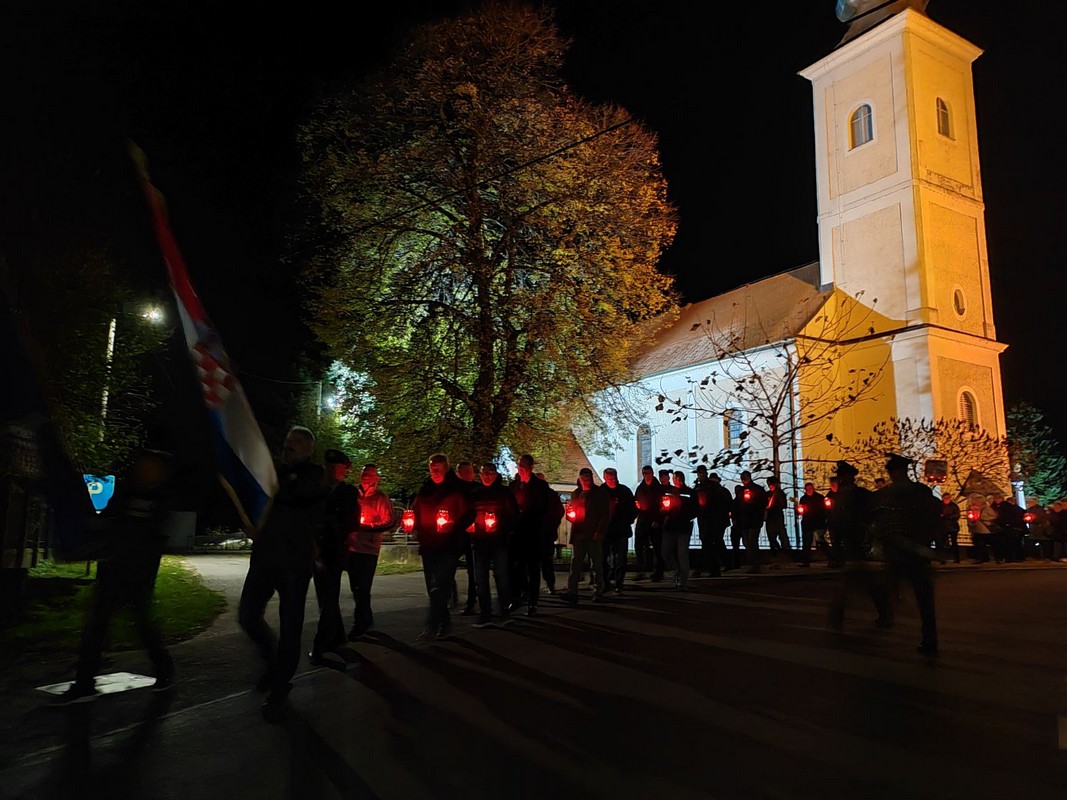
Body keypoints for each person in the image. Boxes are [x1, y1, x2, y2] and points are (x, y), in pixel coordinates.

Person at [51, 437, 178, 706]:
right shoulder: (125, 490)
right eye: (143, 465)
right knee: (96, 625)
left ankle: (164, 668)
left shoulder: (161, 499)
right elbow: (110, 519)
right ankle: (84, 683)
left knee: (142, 625)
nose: (145, 470)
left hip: (138, 573)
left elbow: (153, 537)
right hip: (113, 567)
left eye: (151, 466)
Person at [238, 425, 327, 722]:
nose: (290, 444)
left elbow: (296, 495)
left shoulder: (313, 476)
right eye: (288, 440)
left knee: (290, 626)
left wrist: (271, 480)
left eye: (297, 441)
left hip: (294, 564)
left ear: (309, 449)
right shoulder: (272, 473)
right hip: (265, 558)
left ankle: (279, 687)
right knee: (248, 616)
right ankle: (273, 662)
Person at [869, 453, 942, 656]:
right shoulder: (921, 491)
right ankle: (929, 638)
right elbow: (934, 516)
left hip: (900, 551)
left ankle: (887, 618)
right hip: (915, 550)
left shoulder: (889, 494)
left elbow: (880, 522)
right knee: (923, 598)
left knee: (883, 587)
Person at [411, 453, 474, 641]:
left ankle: (431, 627)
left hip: (449, 545)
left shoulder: (458, 489)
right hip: (428, 544)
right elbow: (416, 510)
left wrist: (454, 526)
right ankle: (445, 624)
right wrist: (413, 525)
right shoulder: (425, 489)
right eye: (432, 469)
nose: (434, 472)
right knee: (433, 587)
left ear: (446, 468)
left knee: (440, 585)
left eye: (438, 468)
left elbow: (470, 513)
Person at [826, 460, 891, 632]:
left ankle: (837, 617)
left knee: (857, 583)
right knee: (867, 583)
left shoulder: (851, 496)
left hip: (858, 544)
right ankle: (883, 615)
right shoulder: (852, 495)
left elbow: (839, 522)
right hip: (856, 545)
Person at [309, 448, 358, 664]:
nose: (330, 471)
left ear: (343, 470)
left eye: (335, 468)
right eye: (328, 467)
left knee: (328, 599)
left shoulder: (347, 492)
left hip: (334, 550)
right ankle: (337, 637)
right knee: (325, 597)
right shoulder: (319, 490)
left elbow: (348, 522)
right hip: (317, 550)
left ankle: (320, 645)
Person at [345, 463, 396, 640]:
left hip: (369, 549)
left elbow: (389, 521)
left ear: (376, 478)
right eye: (364, 473)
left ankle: (359, 624)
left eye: (370, 474)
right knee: (356, 587)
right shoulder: (353, 495)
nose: (366, 476)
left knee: (363, 587)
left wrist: (369, 527)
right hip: (352, 546)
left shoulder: (380, 498)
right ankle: (366, 619)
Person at [469, 462, 519, 625]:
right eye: (483, 473)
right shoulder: (475, 494)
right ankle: (485, 613)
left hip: (499, 541)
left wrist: (502, 526)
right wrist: (469, 526)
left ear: (496, 475)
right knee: (481, 578)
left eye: (490, 473)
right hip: (480, 541)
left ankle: (505, 611)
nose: (486, 476)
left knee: (502, 576)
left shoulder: (504, 493)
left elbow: (513, 515)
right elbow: (468, 515)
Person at [510, 454, 555, 615]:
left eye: (523, 465)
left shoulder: (540, 486)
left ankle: (532, 601)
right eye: (519, 465)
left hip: (534, 532)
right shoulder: (513, 486)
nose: (520, 468)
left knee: (533, 568)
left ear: (530, 467)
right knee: (517, 567)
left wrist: (527, 513)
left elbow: (545, 508)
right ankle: (520, 595)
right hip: (517, 533)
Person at [561, 468, 610, 605]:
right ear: (580, 479)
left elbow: (605, 514)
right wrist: (571, 515)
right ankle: (572, 591)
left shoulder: (599, 493)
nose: (586, 480)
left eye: (588, 477)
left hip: (593, 534)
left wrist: (600, 531)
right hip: (579, 533)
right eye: (584, 478)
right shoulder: (576, 493)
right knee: (575, 563)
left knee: (596, 564)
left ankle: (598, 591)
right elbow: (573, 513)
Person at [692, 466, 732, 577]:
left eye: (702, 473)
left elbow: (723, 502)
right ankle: (713, 568)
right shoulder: (698, 488)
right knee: (708, 544)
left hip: (713, 519)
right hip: (703, 519)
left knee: (712, 543)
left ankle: (712, 568)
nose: (701, 475)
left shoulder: (714, 487)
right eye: (699, 473)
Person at [602, 467, 637, 593]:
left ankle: (618, 582)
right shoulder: (601, 492)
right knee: (604, 558)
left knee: (621, 558)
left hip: (621, 529)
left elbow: (633, 508)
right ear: (605, 478)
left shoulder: (624, 491)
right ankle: (605, 581)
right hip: (606, 530)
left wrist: (628, 519)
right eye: (610, 478)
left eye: (614, 478)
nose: (612, 480)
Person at [661, 470, 697, 589]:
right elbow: (664, 505)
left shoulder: (690, 493)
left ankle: (683, 579)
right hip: (670, 525)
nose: (675, 480)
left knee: (682, 553)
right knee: (665, 551)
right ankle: (676, 570)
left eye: (676, 478)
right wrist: (664, 510)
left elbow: (695, 509)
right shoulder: (670, 492)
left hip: (683, 527)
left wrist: (686, 517)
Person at [455, 461, 480, 616]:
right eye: (466, 471)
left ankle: (472, 600)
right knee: (449, 564)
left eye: (471, 471)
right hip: (457, 532)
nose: (470, 474)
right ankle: (450, 596)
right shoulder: (454, 489)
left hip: (473, 534)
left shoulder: (478, 489)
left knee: (473, 568)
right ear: (459, 473)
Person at [633, 465, 665, 581]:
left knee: (657, 548)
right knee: (639, 545)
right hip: (643, 520)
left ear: (652, 473)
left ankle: (658, 572)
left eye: (648, 473)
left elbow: (663, 505)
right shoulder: (640, 488)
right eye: (644, 473)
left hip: (655, 521)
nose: (646, 476)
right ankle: (643, 568)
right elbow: (636, 501)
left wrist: (658, 519)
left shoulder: (659, 489)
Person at [734, 471, 768, 573]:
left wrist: (753, 503)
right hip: (745, 520)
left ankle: (755, 564)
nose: (743, 480)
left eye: (745, 478)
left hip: (754, 519)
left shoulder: (757, 490)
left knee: (752, 542)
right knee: (747, 542)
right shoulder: (742, 491)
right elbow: (736, 505)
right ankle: (753, 563)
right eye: (742, 478)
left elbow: (764, 503)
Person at [796, 482, 828, 567]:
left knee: (820, 540)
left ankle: (831, 558)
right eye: (808, 489)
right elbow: (800, 509)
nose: (809, 490)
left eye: (811, 488)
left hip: (818, 522)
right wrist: (799, 510)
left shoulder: (819, 498)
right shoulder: (803, 499)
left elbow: (824, 509)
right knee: (806, 543)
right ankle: (805, 561)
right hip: (808, 523)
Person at [764, 476, 791, 561]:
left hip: (777, 516)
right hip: (770, 517)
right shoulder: (767, 494)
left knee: (781, 533)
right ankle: (775, 549)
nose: (770, 486)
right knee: (770, 535)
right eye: (769, 484)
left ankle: (785, 550)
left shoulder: (779, 493)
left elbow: (783, 504)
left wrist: (773, 505)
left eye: (771, 484)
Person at [939, 493, 962, 563]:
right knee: (943, 542)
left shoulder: (953, 506)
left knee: (954, 542)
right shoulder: (940, 505)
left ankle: (956, 558)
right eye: (945, 498)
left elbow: (957, 515)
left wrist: (948, 517)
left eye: (948, 498)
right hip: (944, 526)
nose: (947, 499)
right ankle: (943, 559)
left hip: (952, 526)